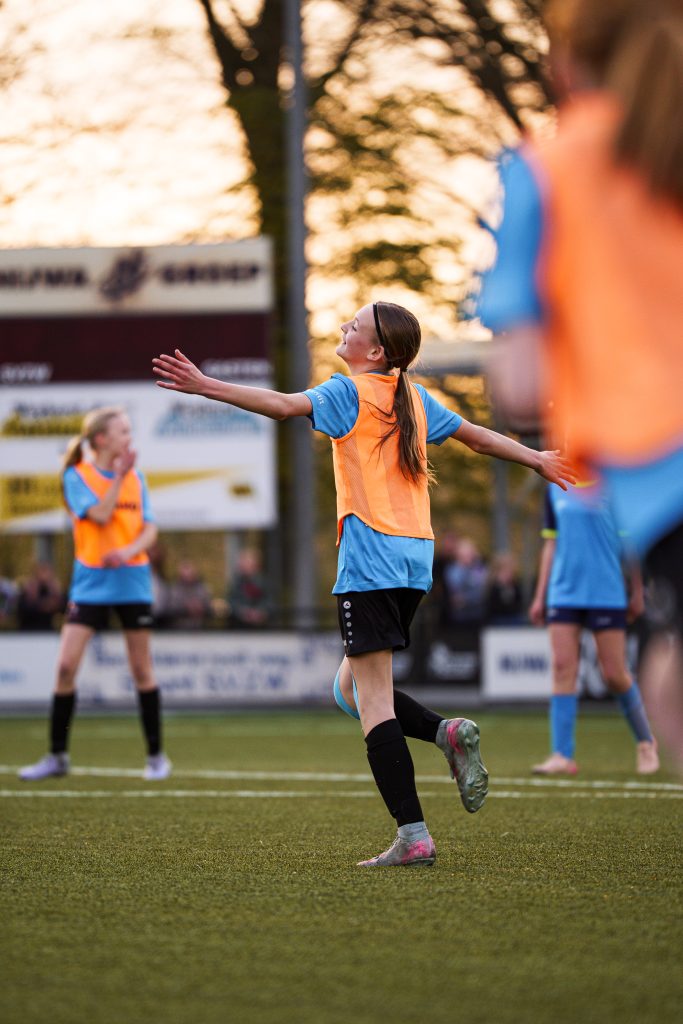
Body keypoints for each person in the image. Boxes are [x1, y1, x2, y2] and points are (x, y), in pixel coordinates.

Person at [154, 300, 574, 866]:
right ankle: (446, 733)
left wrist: (206, 386)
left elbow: (281, 406)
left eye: (354, 326)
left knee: (371, 699)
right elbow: (478, 437)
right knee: (347, 690)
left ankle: (414, 835)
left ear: (375, 352)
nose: (344, 328)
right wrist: (537, 459)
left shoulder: (346, 392)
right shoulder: (415, 400)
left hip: (371, 559)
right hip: (414, 562)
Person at [479, 0, 683, 768]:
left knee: (666, 692)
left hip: (660, 465)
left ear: (564, 66)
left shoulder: (548, 170)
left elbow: (521, 383)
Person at [19, 406, 171, 782]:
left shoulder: (137, 477)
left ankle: (155, 758)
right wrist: (117, 478)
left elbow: (150, 530)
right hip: (89, 586)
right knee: (66, 668)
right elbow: (101, 516)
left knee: (141, 669)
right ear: (101, 439)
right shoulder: (77, 476)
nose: (128, 439)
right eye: (122, 432)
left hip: (133, 582)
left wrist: (129, 548)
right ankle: (57, 756)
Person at [529, 481, 658, 775]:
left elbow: (630, 545)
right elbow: (551, 543)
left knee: (614, 674)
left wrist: (637, 591)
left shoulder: (613, 484)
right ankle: (562, 755)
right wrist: (540, 596)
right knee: (562, 669)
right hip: (563, 592)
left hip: (606, 591)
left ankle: (646, 742)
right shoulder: (553, 487)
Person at [16, 562, 65, 631]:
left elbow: (64, 608)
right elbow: (21, 610)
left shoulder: (53, 589)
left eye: (46, 571)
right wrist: (42, 605)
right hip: (27, 631)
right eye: (42, 571)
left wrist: (57, 598)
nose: (44, 575)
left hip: (47, 630)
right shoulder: (28, 589)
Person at [228, 548, 270, 628]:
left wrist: (260, 612)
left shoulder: (263, 583)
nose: (241, 566)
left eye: (245, 563)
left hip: (261, 629)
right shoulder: (236, 583)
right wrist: (243, 612)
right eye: (241, 563)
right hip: (239, 627)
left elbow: (269, 601)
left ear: (254, 565)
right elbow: (231, 601)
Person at [168, 558, 213, 629]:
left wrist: (201, 607)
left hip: (200, 628)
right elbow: (171, 609)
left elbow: (209, 608)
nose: (188, 577)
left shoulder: (203, 589)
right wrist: (185, 608)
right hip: (179, 629)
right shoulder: (175, 590)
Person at [486, 551, 524, 626]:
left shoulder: (515, 586)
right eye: (505, 572)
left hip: (513, 618)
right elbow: (492, 606)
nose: (508, 575)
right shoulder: (493, 587)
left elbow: (518, 602)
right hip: (498, 618)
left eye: (510, 572)